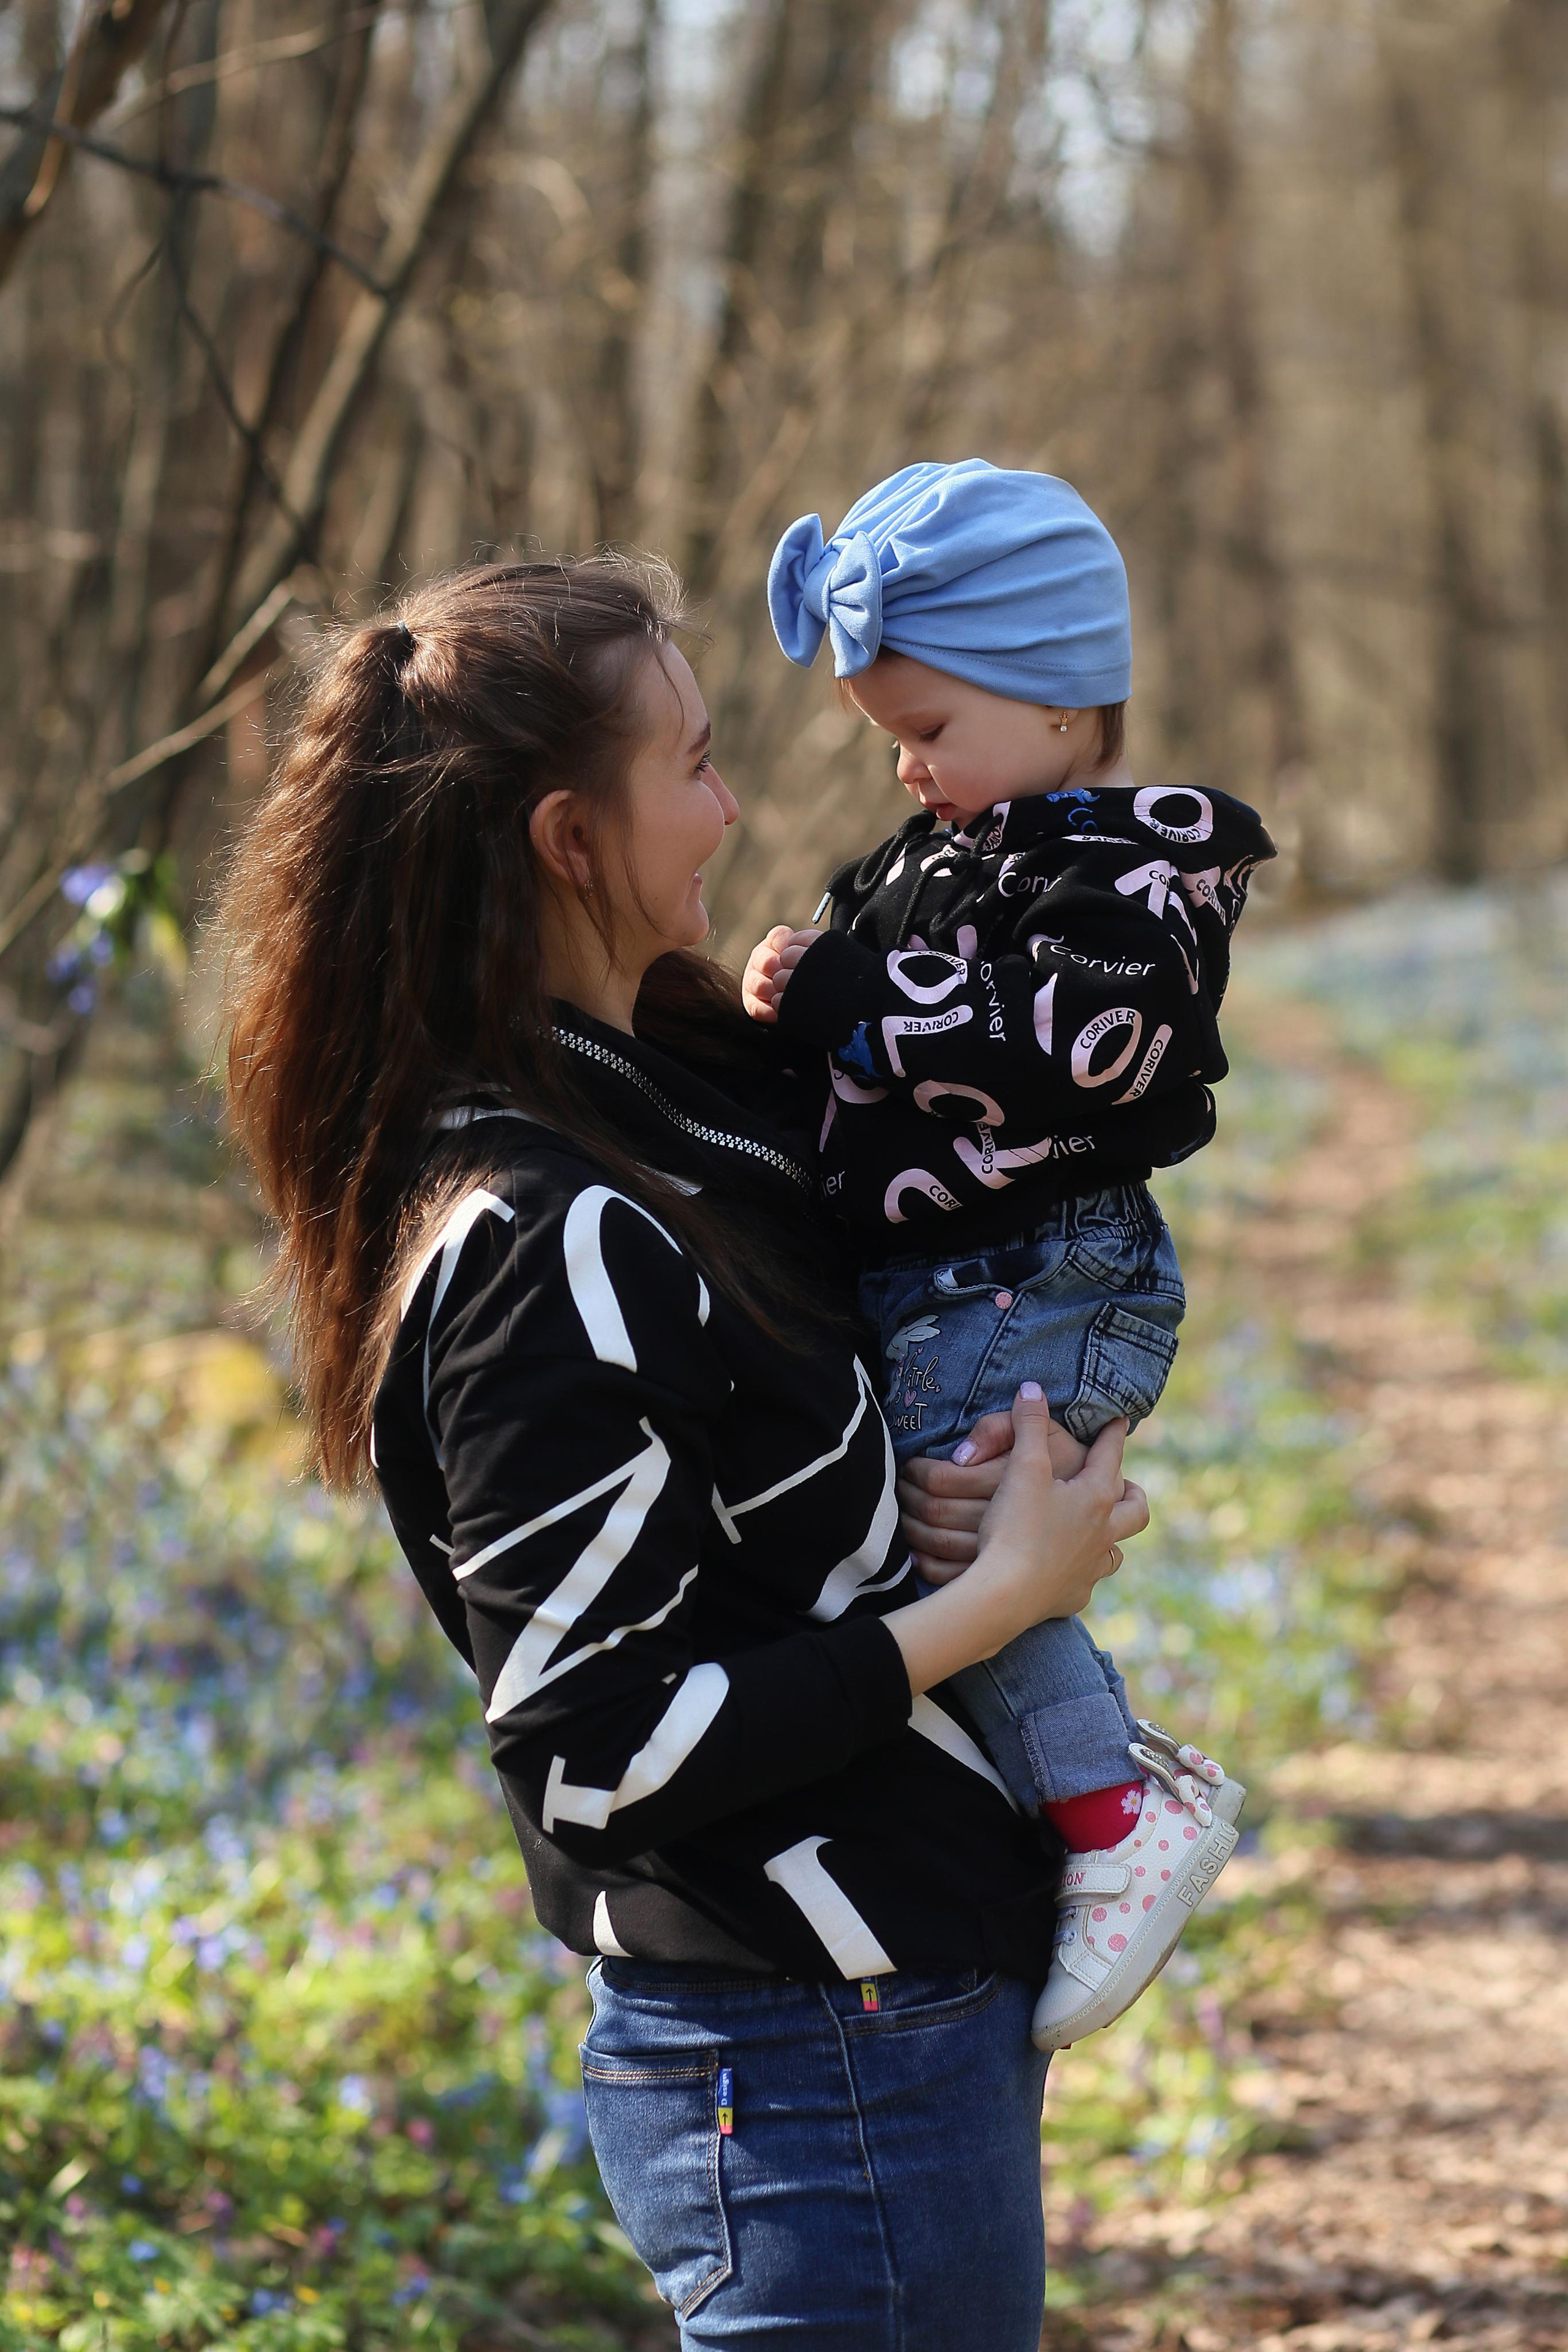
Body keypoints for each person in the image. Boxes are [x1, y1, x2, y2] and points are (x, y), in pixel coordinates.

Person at [216, 556, 1150, 2351]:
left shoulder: (668, 1091)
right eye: (698, 764)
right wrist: (1000, 1601)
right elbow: (598, 1747)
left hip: (888, 2018)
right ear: (572, 837)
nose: (734, 806)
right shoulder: (541, 1229)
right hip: (807, 2062)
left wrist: (962, 1488)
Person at [746, 459, 1270, 2049]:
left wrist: (854, 1003)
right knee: (929, 1537)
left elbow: (1082, 1048)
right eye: (890, 740)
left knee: (963, 1543)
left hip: (1041, 1264)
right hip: (945, 1277)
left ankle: (1116, 1823)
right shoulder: (928, 863)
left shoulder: (1132, 874)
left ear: (1055, 703)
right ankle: (1103, 1778)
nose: (907, 772)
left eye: (927, 732)